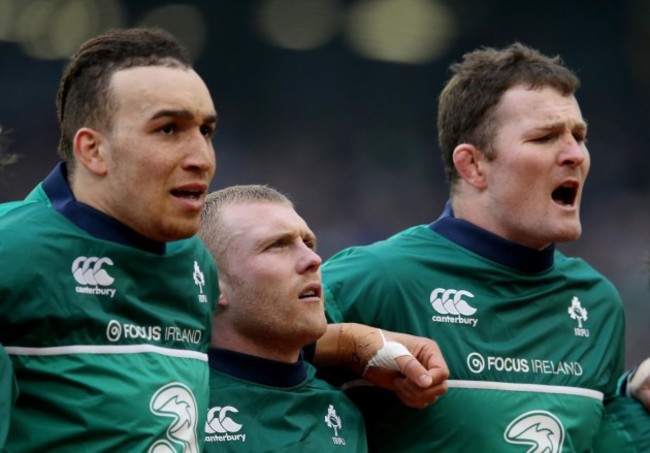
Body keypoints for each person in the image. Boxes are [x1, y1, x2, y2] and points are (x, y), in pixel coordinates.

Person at [320, 42, 634, 451]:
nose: (576, 154)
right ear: (473, 165)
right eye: (544, 138)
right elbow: (242, 344)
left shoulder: (597, 304)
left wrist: (632, 392)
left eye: (579, 136)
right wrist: (352, 344)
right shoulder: (380, 278)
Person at [0, 28, 220, 451]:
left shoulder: (197, 264)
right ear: (93, 150)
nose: (202, 158)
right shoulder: (13, 256)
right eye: (169, 130)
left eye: (206, 131)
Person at [198, 184, 449, 451]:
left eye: (308, 243)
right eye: (277, 246)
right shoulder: (180, 402)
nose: (313, 259)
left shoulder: (343, 412)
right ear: (212, 283)